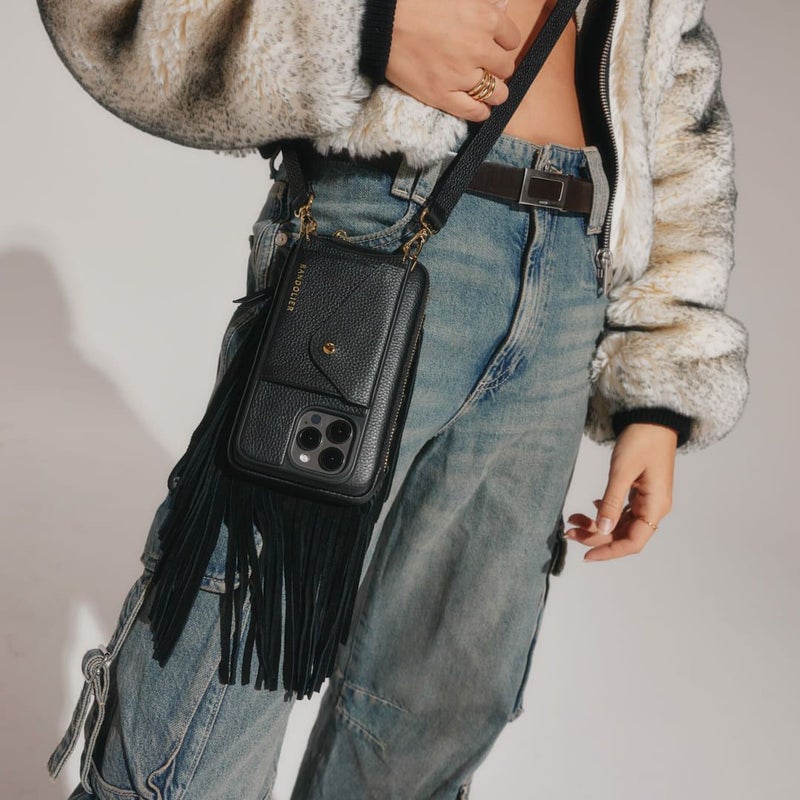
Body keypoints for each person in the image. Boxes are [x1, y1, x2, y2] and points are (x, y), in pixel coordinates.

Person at [39, 0, 749, 797]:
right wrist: (364, 26)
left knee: (434, 708)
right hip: (381, 220)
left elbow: (675, 73)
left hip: (574, 273)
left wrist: (661, 374)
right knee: (216, 680)